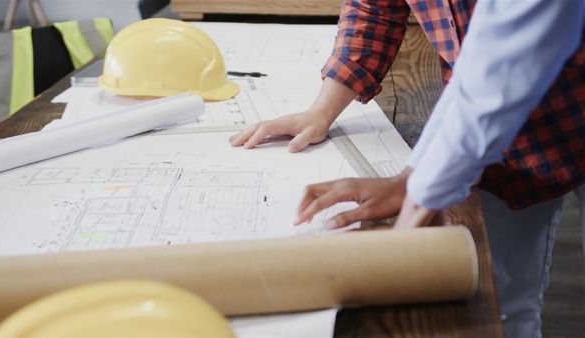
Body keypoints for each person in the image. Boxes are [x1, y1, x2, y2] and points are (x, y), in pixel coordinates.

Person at [229, 0, 585, 337]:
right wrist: (323, 111)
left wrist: (422, 189)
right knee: (496, 301)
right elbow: (380, 10)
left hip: (549, 98)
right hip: (508, 138)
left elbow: (511, 54)